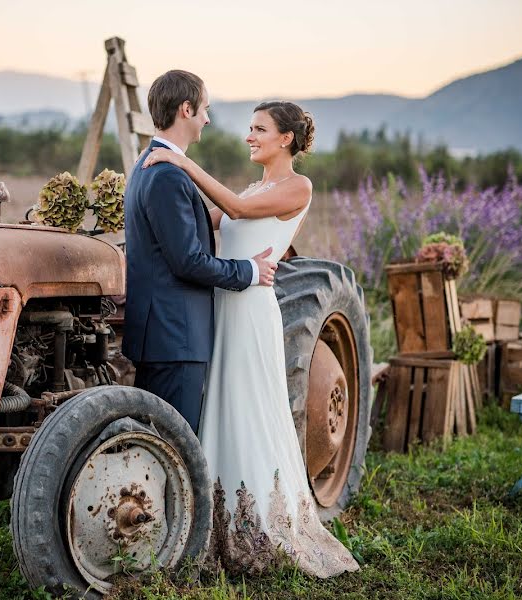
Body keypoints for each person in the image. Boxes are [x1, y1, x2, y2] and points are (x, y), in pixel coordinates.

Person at [142, 101, 360, 578]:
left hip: (252, 311)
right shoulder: (255, 185)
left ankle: (257, 522)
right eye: (250, 127)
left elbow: (235, 210)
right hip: (225, 305)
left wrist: (179, 159)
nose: (249, 136)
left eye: (259, 129)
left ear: (286, 139)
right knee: (221, 404)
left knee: (248, 406)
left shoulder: (297, 187)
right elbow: (209, 222)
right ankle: (210, 521)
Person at [121, 70, 277, 436]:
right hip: (175, 337)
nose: (208, 118)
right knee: (174, 446)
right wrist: (250, 271)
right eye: (205, 109)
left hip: (164, 335)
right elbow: (187, 261)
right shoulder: (167, 176)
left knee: (158, 445)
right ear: (186, 109)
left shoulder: (147, 167)